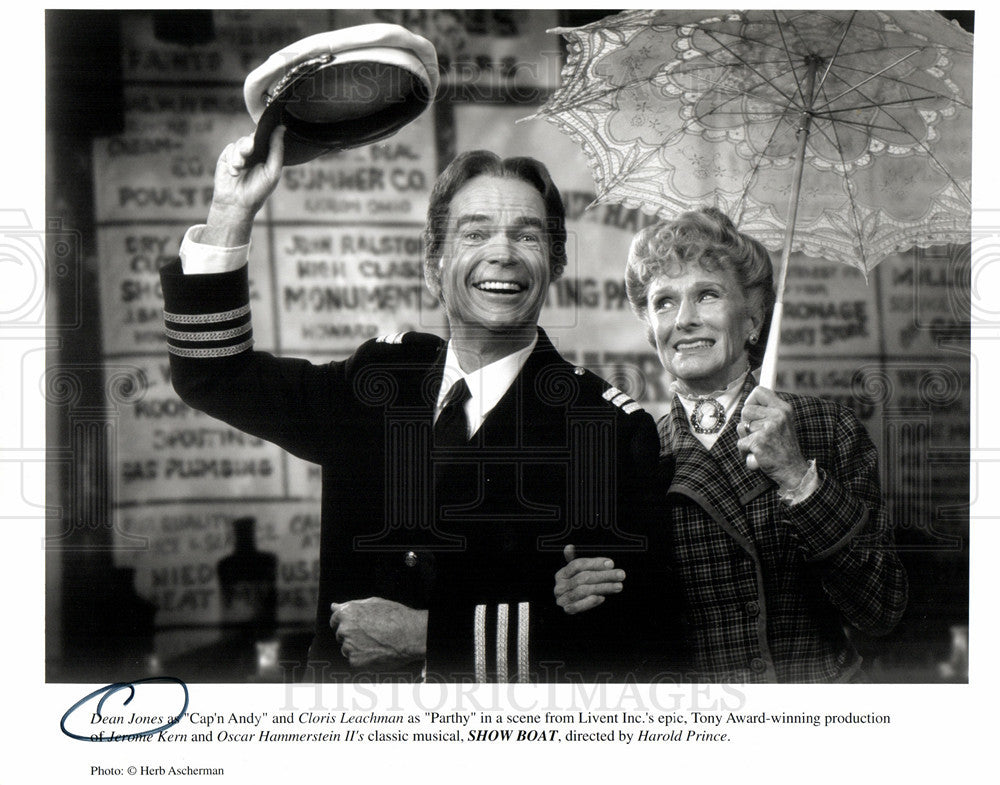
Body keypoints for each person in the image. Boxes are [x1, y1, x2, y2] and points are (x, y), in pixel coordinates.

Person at [159, 127, 671, 682]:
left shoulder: (608, 429)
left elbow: (630, 641)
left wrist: (430, 637)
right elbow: (214, 374)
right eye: (474, 235)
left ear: (556, 264)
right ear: (433, 262)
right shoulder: (378, 380)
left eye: (528, 237)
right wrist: (231, 210)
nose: (502, 254)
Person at [555, 207, 908, 683]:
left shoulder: (829, 429)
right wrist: (575, 594)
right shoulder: (635, 448)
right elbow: (625, 637)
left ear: (753, 319)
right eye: (663, 302)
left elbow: (882, 611)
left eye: (707, 295)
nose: (684, 320)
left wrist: (796, 476)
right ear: (650, 329)